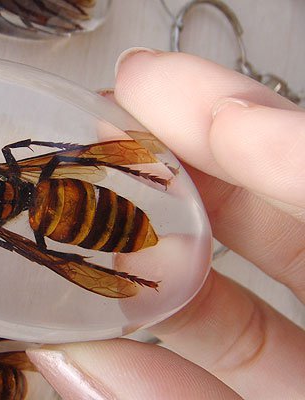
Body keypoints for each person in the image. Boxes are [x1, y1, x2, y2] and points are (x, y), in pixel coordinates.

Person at [26, 48, 305, 399]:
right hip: (62, 197)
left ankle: (134, 259)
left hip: (72, 210)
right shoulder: (14, 183)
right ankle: (141, 209)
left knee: (49, 250)